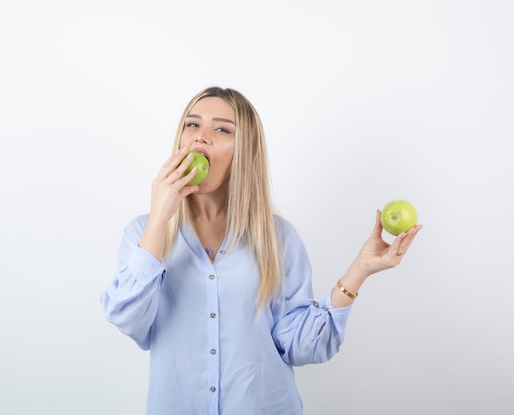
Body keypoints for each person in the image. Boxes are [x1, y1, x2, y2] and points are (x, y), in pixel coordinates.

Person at [101, 86, 422, 415]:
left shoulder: (278, 237)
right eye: (192, 124)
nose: (201, 137)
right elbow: (129, 319)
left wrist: (360, 270)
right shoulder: (142, 234)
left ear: (245, 150)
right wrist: (159, 221)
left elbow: (296, 344)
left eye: (222, 129)